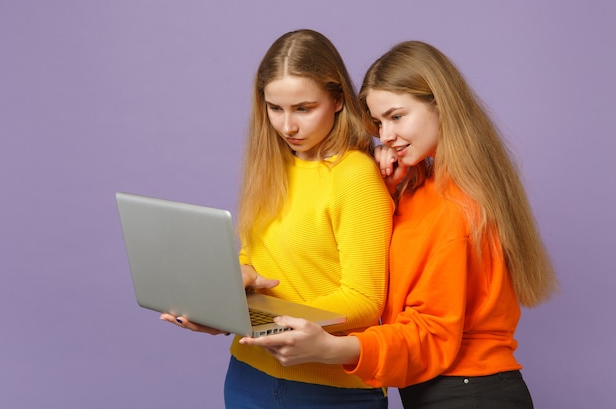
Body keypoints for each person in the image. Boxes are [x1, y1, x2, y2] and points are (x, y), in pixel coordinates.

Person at [240, 40, 559, 409]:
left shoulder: (456, 207)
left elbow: (432, 332)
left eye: (396, 116)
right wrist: (394, 190)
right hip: (447, 388)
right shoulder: (431, 186)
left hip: (468, 392)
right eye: (377, 121)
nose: (385, 134)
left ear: (441, 104)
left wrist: (336, 348)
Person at [161, 29, 394, 408]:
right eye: (275, 109)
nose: (288, 126)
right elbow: (255, 257)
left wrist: (261, 319)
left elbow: (366, 299)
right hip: (248, 374)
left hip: (330, 390)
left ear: (337, 100)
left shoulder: (355, 175)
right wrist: (235, 290)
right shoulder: (269, 166)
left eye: (303, 108)